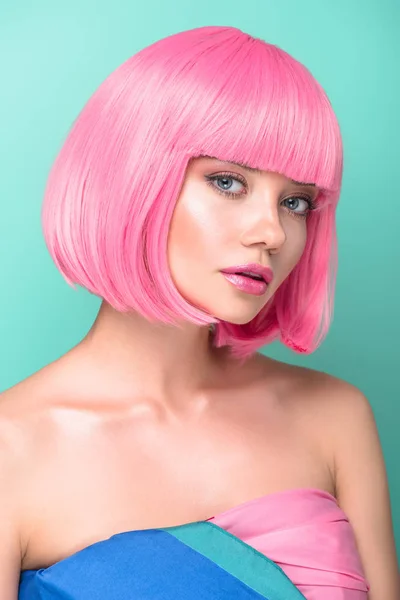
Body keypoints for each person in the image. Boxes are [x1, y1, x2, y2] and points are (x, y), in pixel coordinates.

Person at [1, 24, 398, 600]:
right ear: (132, 178)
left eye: (296, 202)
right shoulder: (12, 452)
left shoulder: (334, 418)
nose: (271, 232)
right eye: (228, 181)